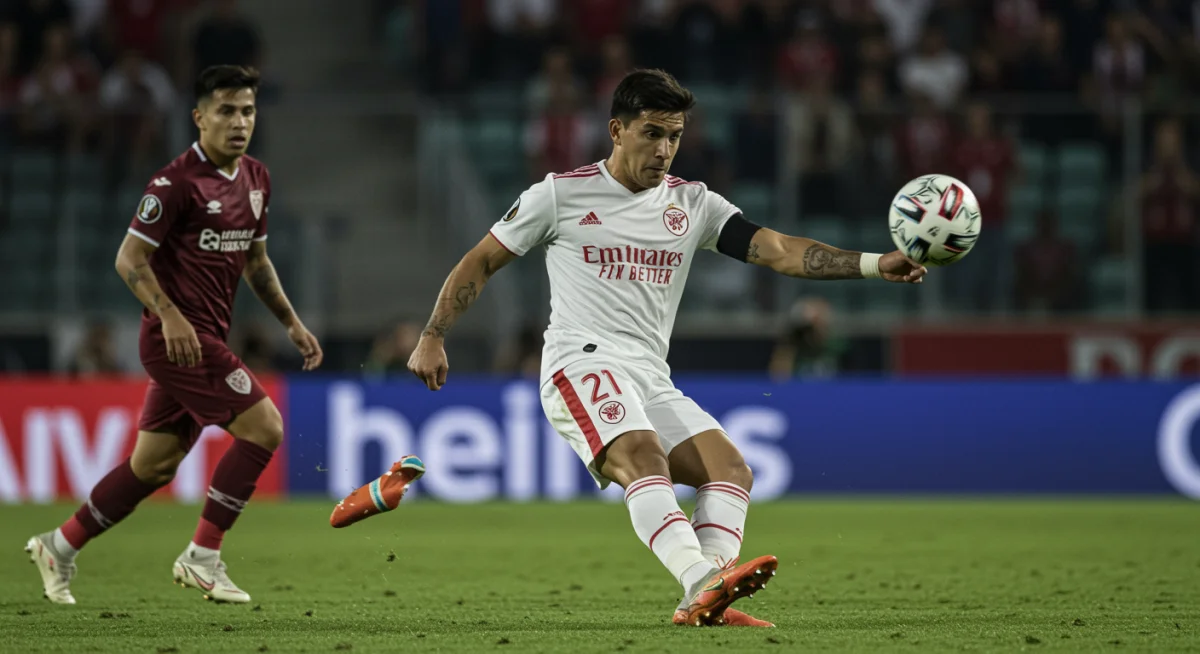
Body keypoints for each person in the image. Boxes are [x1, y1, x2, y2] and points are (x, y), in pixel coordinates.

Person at [406, 69, 926, 627]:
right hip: (580, 361)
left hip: (650, 374)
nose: (665, 149)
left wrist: (875, 264)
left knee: (731, 471)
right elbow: (482, 260)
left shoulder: (693, 204)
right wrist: (433, 335)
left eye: (675, 136)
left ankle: (707, 596)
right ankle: (699, 579)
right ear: (617, 130)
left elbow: (778, 249)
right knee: (642, 456)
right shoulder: (560, 194)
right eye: (652, 133)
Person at [25, 65, 323, 606]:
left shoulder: (257, 178)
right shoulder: (175, 183)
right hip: (175, 340)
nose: (239, 122)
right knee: (265, 428)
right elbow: (129, 259)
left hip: (205, 338)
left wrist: (291, 322)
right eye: (226, 111)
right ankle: (202, 556)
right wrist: (170, 315)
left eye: (248, 111)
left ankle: (59, 545)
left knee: (152, 466)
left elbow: (256, 262)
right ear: (199, 117)